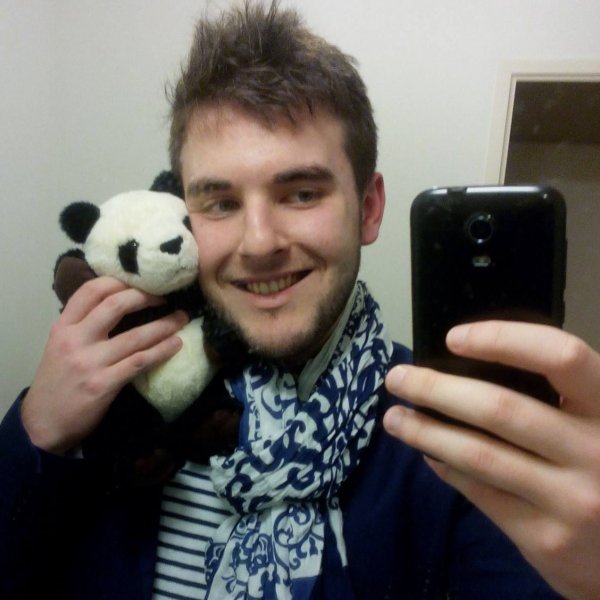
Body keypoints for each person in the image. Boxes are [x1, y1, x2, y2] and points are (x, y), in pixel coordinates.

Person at [1, 1, 599, 598]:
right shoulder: (119, 401)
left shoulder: (453, 439)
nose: (259, 243)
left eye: (302, 193)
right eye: (221, 203)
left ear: (369, 208)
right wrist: (35, 434)